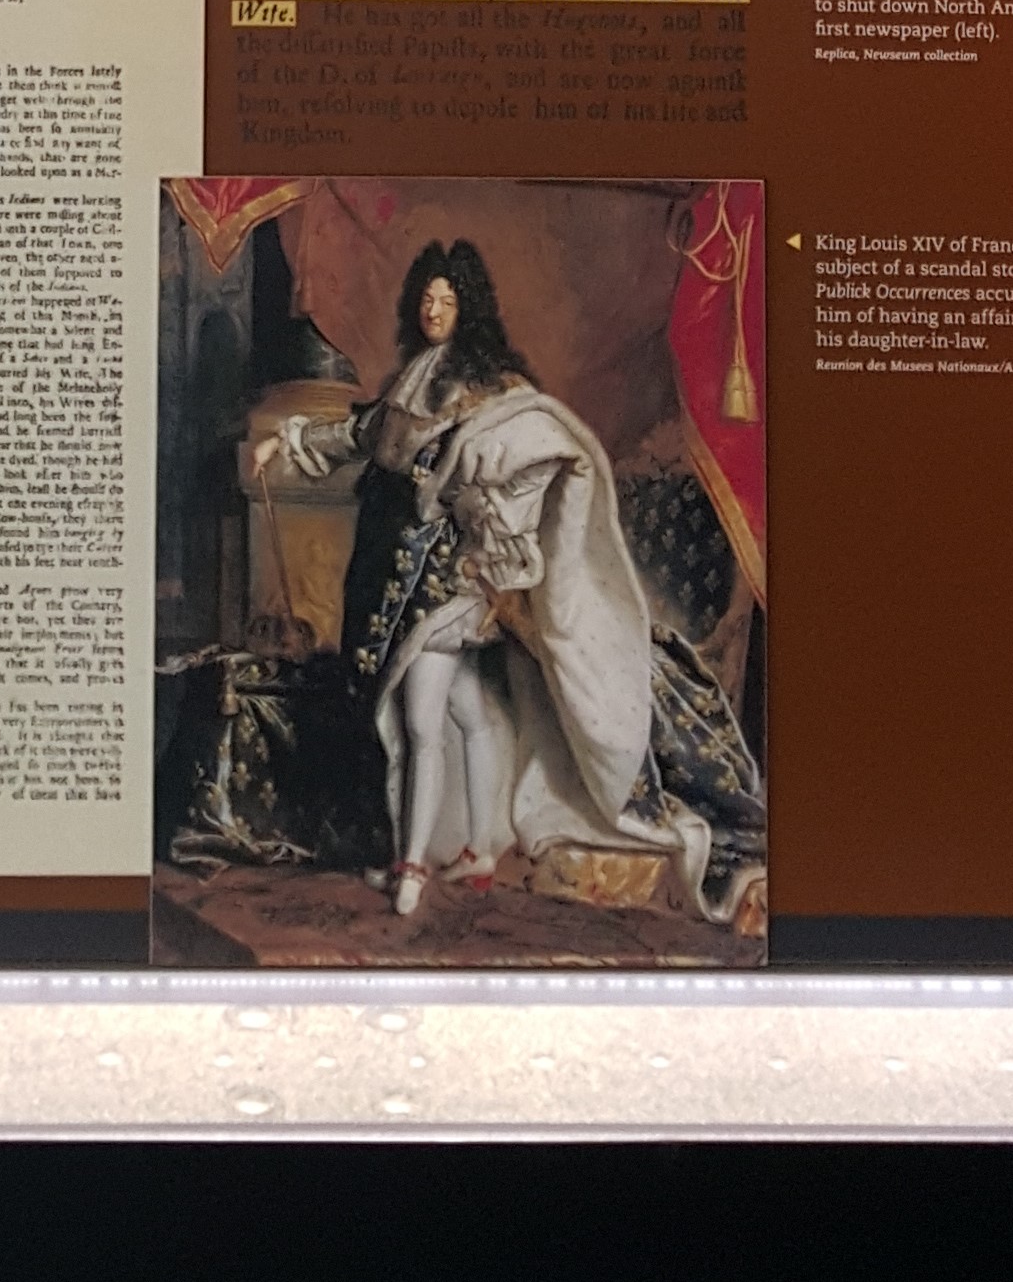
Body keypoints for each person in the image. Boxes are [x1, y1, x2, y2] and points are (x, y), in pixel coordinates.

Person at [269, 244, 695, 926]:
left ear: (469, 309)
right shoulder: (413, 379)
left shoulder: (496, 391)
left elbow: (542, 457)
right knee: (467, 710)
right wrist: (288, 441)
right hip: (393, 575)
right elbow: (362, 434)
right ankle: (475, 851)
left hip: (451, 582)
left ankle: (412, 865)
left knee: (418, 719)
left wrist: (483, 525)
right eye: (426, 300)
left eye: (447, 300)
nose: (434, 311)